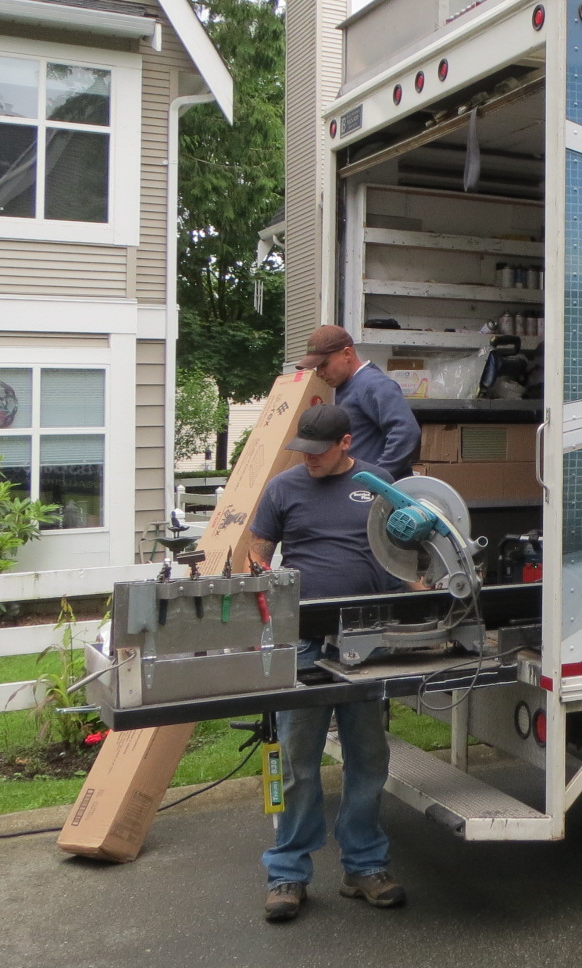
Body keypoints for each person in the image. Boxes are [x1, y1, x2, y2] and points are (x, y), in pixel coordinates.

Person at [247, 404, 407, 922]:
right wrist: (263, 592)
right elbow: (257, 550)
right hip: (303, 642)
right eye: (304, 452)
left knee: (368, 759)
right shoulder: (284, 489)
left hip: (365, 640)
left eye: (320, 452)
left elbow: (405, 545)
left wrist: (415, 588)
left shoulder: (379, 484)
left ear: (345, 442)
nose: (309, 461)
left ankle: (363, 866)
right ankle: (287, 874)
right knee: (298, 761)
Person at [297, 324, 420, 481]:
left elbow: (406, 432)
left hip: (375, 496)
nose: (320, 373)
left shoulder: (373, 384)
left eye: (324, 364)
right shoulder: (343, 385)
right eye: (316, 367)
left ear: (347, 354)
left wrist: (376, 479)